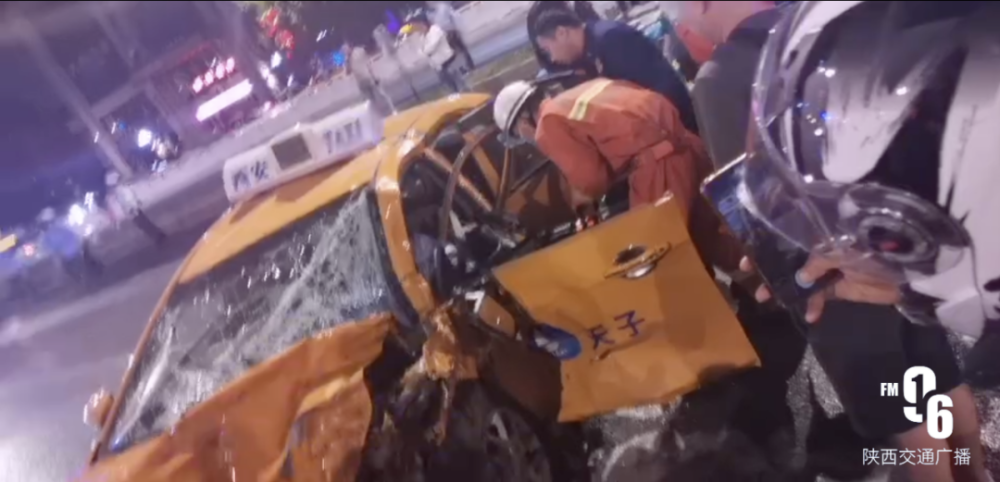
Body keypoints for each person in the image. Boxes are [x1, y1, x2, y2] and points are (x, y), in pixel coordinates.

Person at [707, 1, 995, 480]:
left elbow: (753, 198)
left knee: (903, 415)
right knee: (938, 379)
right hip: (886, 262)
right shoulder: (836, 32)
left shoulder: (725, 75)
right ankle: (975, 473)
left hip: (836, 271)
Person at [493, 78, 742, 273]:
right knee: (716, 232)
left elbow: (592, 179)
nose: (526, 138)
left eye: (519, 134)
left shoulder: (547, 124)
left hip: (659, 168)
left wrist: (582, 200)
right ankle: (757, 291)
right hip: (686, 145)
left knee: (659, 260)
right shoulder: (581, 92)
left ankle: (710, 319)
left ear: (523, 121)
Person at [532, 9, 699, 134]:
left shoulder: (610, 39)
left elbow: (658, 88)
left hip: (677, 128)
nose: (552, 58)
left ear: (562, 33)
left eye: (548, 50)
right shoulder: (590, 52)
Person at [407, 11, 468, 93]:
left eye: (417, 25)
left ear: (422, 23)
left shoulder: (435, 30)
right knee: (451, 90)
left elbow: (430, 48)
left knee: (461, 87)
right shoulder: (422, 37)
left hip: (448, 62)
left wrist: (424, 51)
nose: (416, 28)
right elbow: (421, 52)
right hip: (438, 67)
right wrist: (423, 51)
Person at [105, 173, 167, 246]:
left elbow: (127, 199)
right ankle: (158, 234)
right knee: (145, 223)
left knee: (143, 225)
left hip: (132, 210)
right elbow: (130, 197)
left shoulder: (120, 189)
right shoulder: (121, 188)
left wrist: (131, 207)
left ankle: (157, 237)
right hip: (132, 209)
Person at [344, 41, 396, 115]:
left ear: (349, 47)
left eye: (346, 49)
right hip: (361, 82)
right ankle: (378, 115)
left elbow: (368, 63)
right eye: (344, 51)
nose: (345, 52)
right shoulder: (348, 60)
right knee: (370, 101)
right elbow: (348, 72)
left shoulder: (359, 51)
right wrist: (347, 61)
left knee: (381, 94)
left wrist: (374, 76)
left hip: (369, 77)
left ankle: (392, 109)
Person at [427, 1, 474, 70]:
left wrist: (457, 28)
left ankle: (469, 65)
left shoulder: (442, 7)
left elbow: (453, 17)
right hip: (443, 34)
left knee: (460, 49)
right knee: (453, 52)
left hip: (451, 31)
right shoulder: (430, 13)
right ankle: (463, 67)